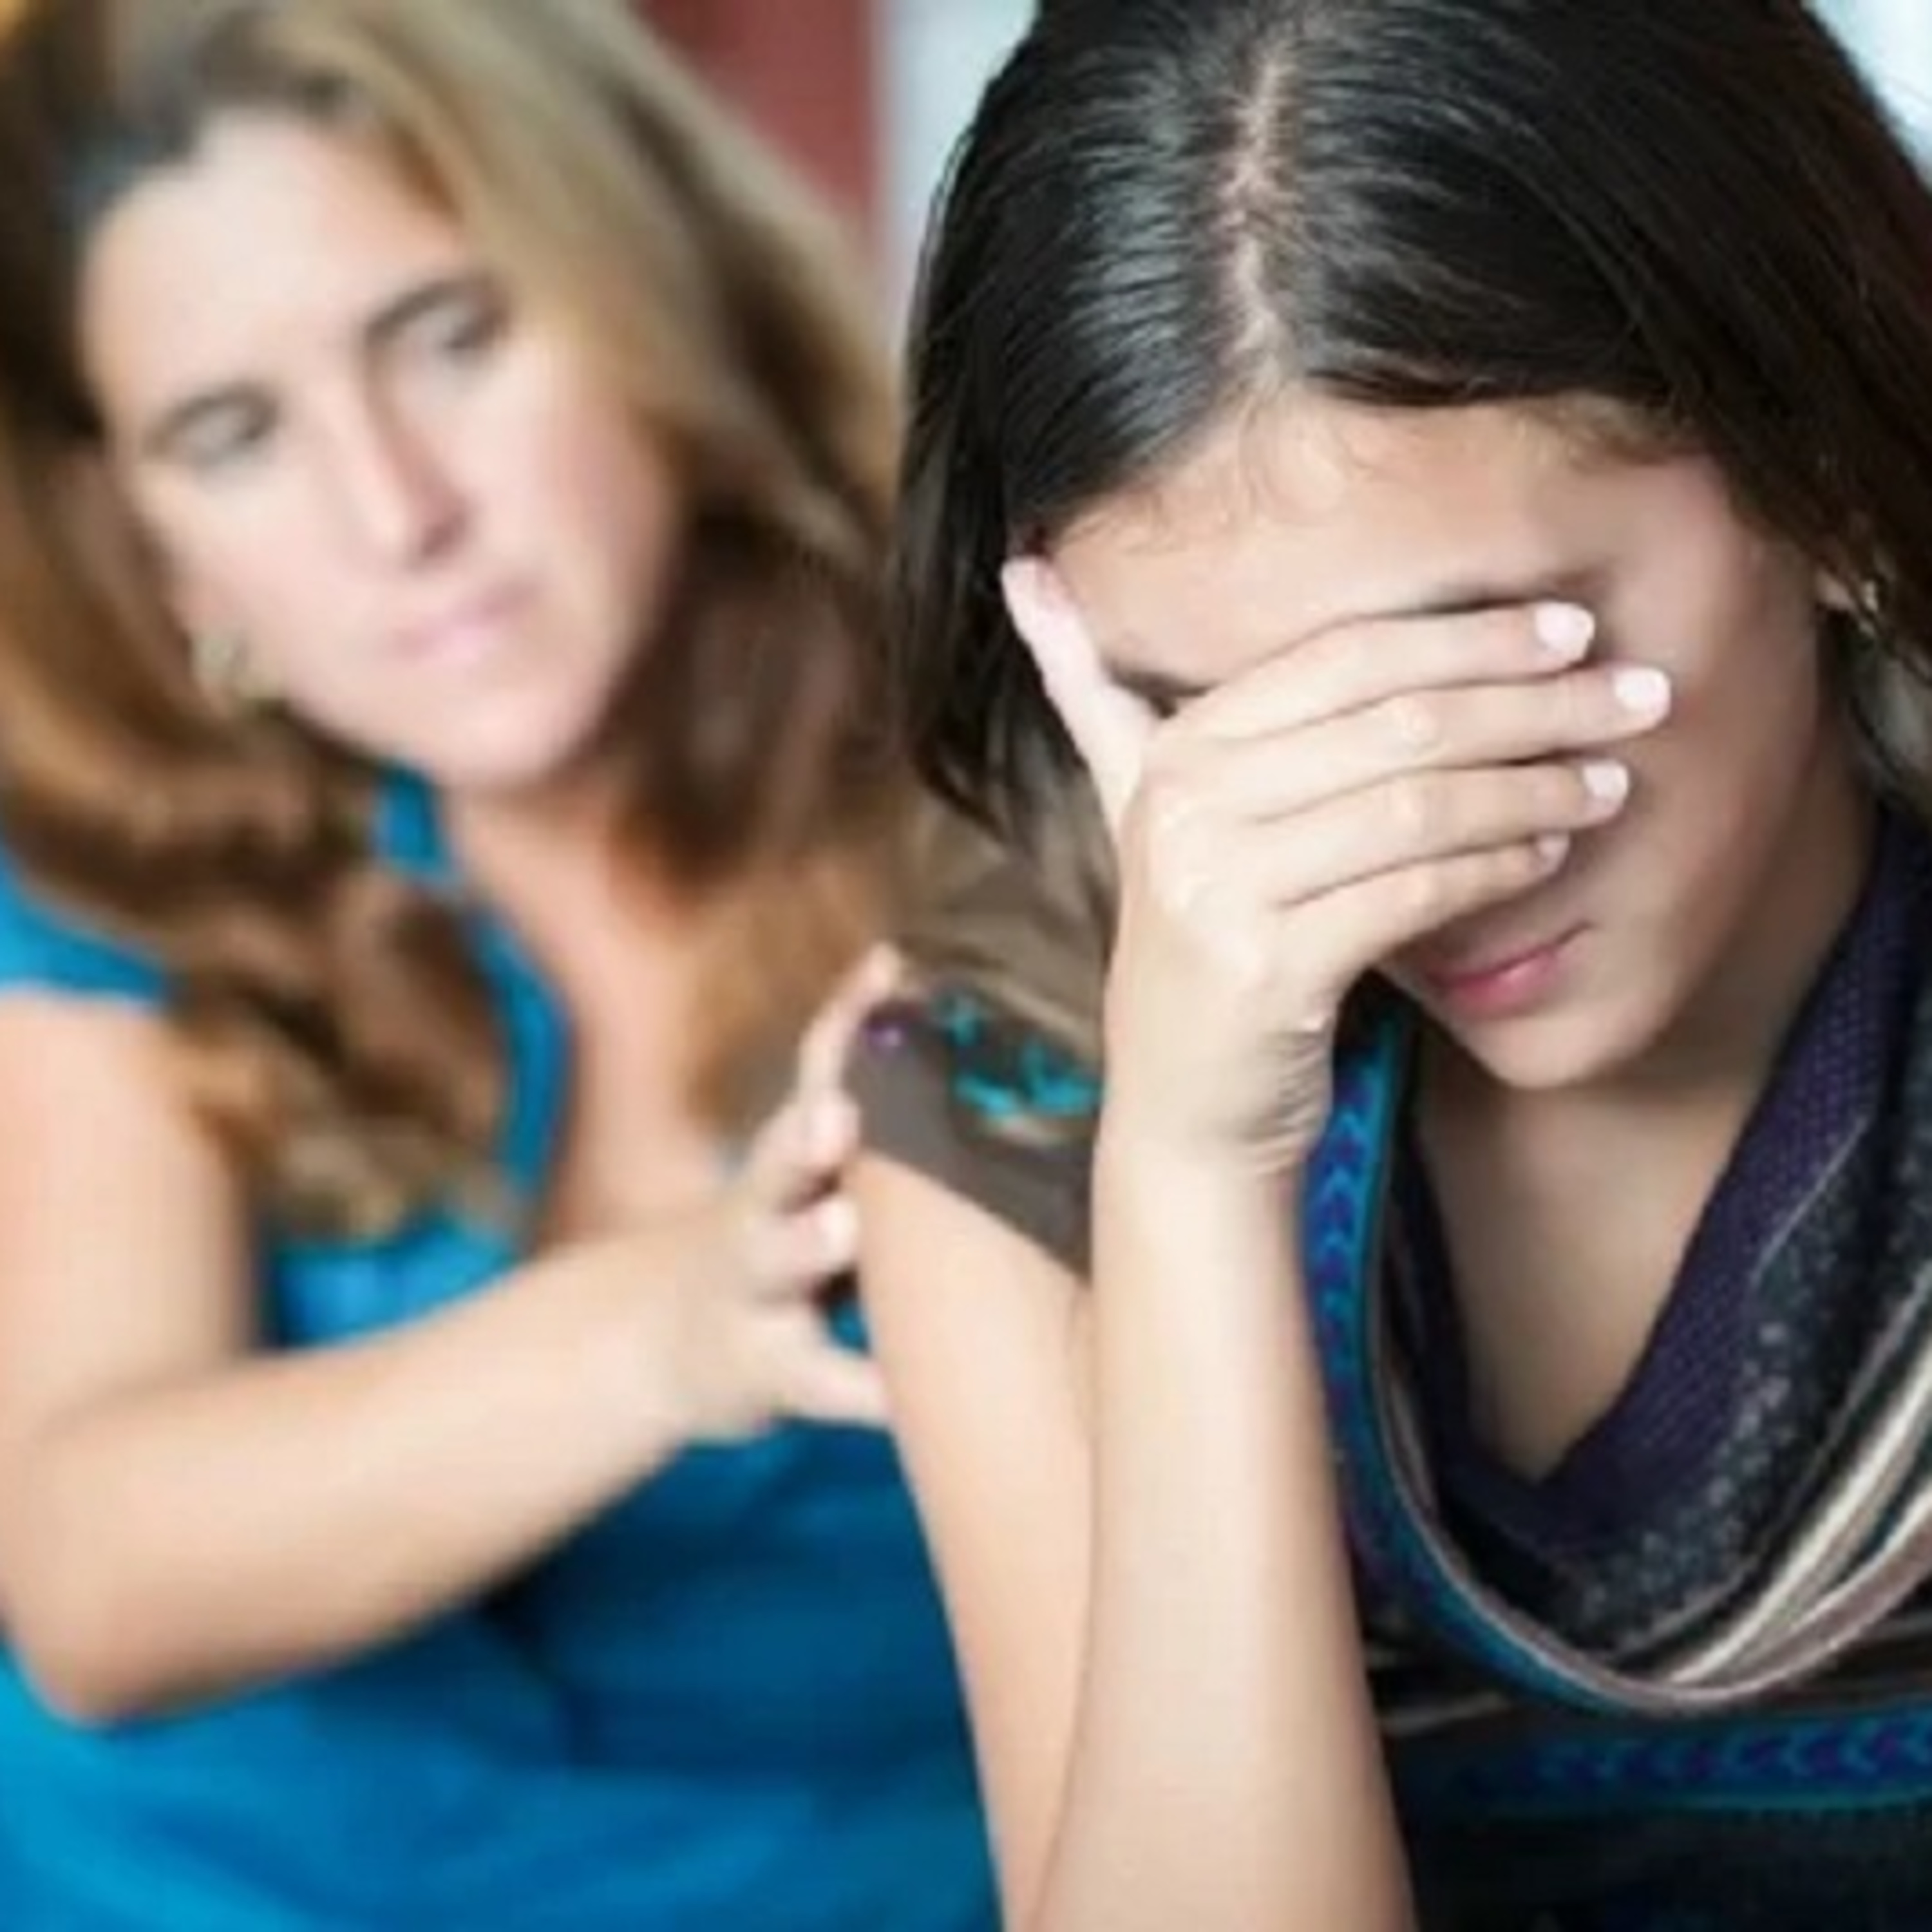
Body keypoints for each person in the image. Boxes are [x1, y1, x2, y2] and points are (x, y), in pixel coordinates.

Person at [854, 1, 1932, 1926]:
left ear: (1829, 475)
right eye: (1222, 728)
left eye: (1484, 665)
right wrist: (1191, 1170)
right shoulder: (1014, 1100)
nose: (1396, 864)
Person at [0, 1, 992, 1925]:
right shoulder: (120, 861)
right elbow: (91, 1579)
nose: (399, 515)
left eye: (450, 335)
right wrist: (683, 1318)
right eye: (233, 436)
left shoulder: (1007, 762)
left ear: (650, 285)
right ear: (157, 555)